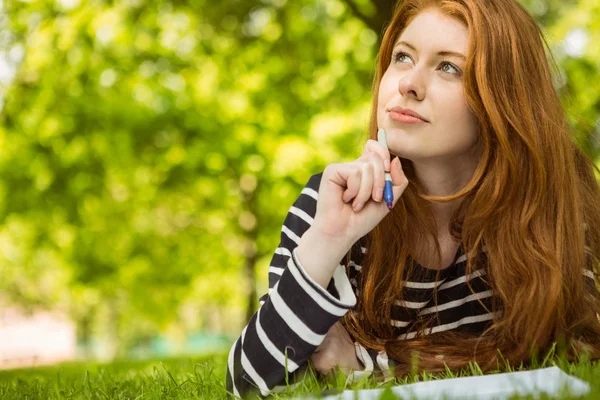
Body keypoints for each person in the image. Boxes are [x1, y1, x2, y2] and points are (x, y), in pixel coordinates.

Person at [226, 0, 600, 397]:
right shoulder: (331, 200)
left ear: (502, 100)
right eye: (402, 57)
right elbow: (246, 383)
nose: (408, 84)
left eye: (448, 67)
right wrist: (329, 239)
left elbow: (571, 347)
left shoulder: (546, 207)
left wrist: (364, 365)